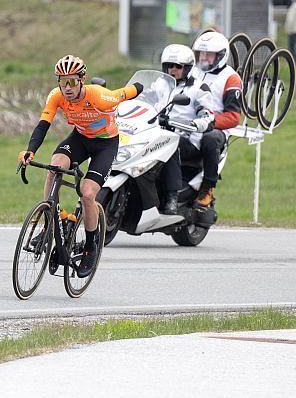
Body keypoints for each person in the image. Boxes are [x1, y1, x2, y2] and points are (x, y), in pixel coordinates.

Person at [18, 55, 142, 278]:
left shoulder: (101, 97)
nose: (67, 87)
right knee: (54, 167)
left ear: (82, 79)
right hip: (80, 139)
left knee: (87, 194)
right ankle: (51, 224)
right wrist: (30, 151)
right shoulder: (56, 96)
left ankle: (92, 245)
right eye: (62, 81)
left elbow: (125, 93)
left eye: (72, 81)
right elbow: (43, 125)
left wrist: (139, 87)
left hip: (105, 145)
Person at [157, 44, 215, 215]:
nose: (172, 70)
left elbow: (207, 115)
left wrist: (197, 124)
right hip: (157, 133)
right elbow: (145, 99)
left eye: (178, 66)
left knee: (170, 141)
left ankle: (171, 197)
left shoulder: (199, 88)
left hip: (187, 140)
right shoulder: (160, 83)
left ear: (188, 68)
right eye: (169, 65)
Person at [190, 31, 243, 207]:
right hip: (188, 123)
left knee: (211, 139)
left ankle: (207, 188)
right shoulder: (193, 72)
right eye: (201, 54)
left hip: (215, 129)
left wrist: (210, 123)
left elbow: (233, 116)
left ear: (221, 56)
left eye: (208, 55)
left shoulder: (231, 78)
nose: (203, 58)